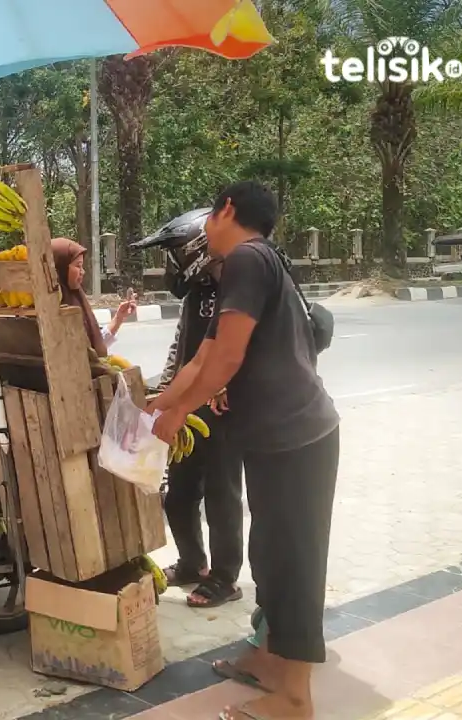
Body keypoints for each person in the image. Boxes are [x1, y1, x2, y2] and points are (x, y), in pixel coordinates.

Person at [145, 181, 340, 720]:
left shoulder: (247, 260)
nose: (205, 228)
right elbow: (204, 353)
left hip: (297, 437)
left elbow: (226, 361)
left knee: (293, 563)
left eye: (211, 212)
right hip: (276, 439)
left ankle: (295, 700)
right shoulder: (248, 264)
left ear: (227, 209)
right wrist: (161, 402)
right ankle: (270, 662)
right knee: (272, 559)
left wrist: (181, 412)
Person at [145, 209, 246, 610]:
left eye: (176, 253)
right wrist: (167, 388)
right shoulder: (200, 292)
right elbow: (183, 346)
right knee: (179, 493)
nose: (173, 264)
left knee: (222, 496)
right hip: (190, 403)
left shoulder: (238, 288)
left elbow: (239, 350)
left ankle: (225, 577)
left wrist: (225, 385)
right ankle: (192, 563)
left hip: (225, 411)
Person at [51, 237, 136, 355]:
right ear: (60, 268)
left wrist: (118, 318)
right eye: (78, 265)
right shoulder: (52, 309)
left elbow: (93, 345)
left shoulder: (76, 298)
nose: (82, 271)